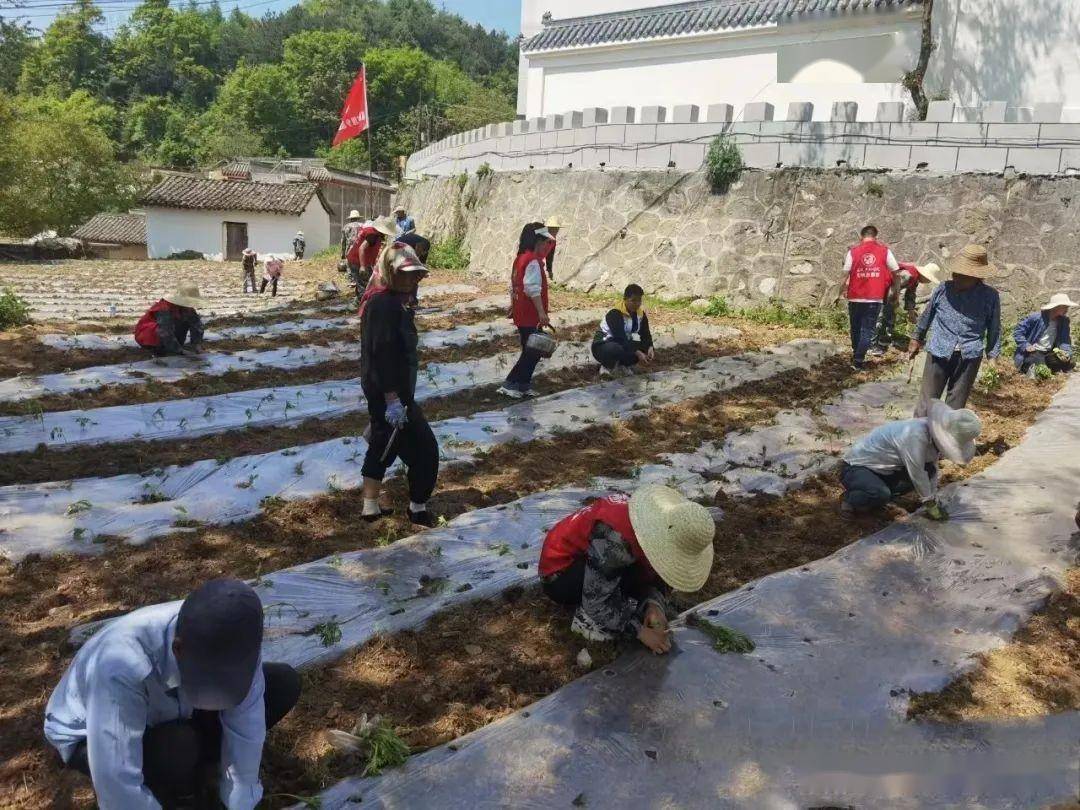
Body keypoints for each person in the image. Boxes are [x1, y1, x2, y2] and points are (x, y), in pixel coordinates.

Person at [44, 578, 301, 809]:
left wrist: (240, 802)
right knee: (181, 744)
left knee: (282, 684)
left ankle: (199, 769)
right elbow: (117, 783)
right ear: (178, 649)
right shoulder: (120, 665)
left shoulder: (238, 641)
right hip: (90, 736)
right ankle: (175, 788)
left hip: (175, 711)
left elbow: (247, 726)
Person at [539, 485, 714, 653]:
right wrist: (640, 631)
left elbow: (657, 573)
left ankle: (622, 601)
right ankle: (587, 621)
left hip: (601, 557)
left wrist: (654, 605)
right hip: (560, 573)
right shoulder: (616, 541)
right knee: (603, 598)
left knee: (635, 573)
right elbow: (595, 600)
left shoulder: (652, 523)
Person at [359, 244, 441, 528]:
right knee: (423, 449)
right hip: (389, 393)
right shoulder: (383, 305)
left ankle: (374, 507)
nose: (411, 280)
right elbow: (381, 352)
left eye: (414, 275)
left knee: (385, 441)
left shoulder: (392, 302)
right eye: (405, 274)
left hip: (391, 392)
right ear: (390, 273)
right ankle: (415, 507)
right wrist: (392, 398)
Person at [840, 401, 981, 519]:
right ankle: (849, 498)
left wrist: (934, 497)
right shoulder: (915, 435)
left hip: (885, 470)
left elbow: (931, 468)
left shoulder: (931, 436)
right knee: (881, 494)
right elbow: (917, 473)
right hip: (856, 468)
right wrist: (930, 504)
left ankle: (874, 496)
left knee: (929, 471)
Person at [909, 244, 1001, 416]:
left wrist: (992, 358)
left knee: (954, 408)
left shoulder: (990, 297)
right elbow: (927, 316)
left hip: (969, 355)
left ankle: (943, 441)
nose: (956, 279)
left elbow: (994, 328)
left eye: (962, 276)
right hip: (939, 350)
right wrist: (916, 338)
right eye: (955, 274)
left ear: (976, 277)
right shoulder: (943, 289)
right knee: (927, 403)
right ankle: (919, 439)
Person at [497, 223, 555, 399]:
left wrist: (513, 305)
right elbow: (532, 288)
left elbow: (514, 285)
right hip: (530, 314)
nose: (547, 245)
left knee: (530, 349)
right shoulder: (532, 261)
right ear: (537, 240)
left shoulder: (520, 258)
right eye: (545, 241)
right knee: (531, 352)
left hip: (522, 312)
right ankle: (510, 383)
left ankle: (523, 384)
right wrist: (541, 313)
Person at [843, 224, 900, 369]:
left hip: (855, 296)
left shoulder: (853, 251)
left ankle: (857, 354)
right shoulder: (885, 251)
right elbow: (896, 272)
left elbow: (845, 274)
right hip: (874, 297)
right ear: (876, 236)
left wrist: (841, 291)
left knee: (855, 327)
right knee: (867, 329)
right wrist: (895, 292)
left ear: (861, 237)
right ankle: (858, 359)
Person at [868, 261, 941, 356]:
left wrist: (911, 311)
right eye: (929, 279)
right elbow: (892, 287)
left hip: (888, 295)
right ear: (925, 275)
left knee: (889, 318)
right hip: (881, 292)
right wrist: (893, 301)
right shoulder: (908, 275)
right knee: (880, 318)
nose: (929, 281)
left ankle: (883, 341)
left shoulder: (915, 279)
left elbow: (910, 295)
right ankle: (871, 345)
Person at [592, 283, 654, 377]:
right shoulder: (615, 314)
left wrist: (650, 347)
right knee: (616, 348)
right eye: (633, 300)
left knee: (641, 346)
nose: (637, 304)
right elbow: (620, 337)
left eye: (639, 300)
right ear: (625, 299)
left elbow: (645, 334)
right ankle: (606, 366)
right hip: (603, 346)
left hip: (623, 342)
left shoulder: (640, 315)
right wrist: (637, 352)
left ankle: (623, 365)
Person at [1013, 292, 1076, 377]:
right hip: (1034, 351)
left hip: (1050, 352)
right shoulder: (1036, 318)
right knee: (1040, 367)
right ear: (1056, 307)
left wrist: (1066, 353)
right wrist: (1026, 345)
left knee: (1069, 363)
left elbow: (1065, 341)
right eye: (1065, 307)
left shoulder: (1063, 321)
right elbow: (1018, 331)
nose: (1067, 310)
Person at [134, 285, 206, 357]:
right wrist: (180, 351)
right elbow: (165, 331)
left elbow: (197, 324)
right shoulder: (164, 308)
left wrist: (197, 345)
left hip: (167, 334)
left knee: (187, 320)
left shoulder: (187, 308)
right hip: (149, 337)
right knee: (166, 332)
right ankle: (164, 350)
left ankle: (174, 347)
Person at [346, 215, 396, 301]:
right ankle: (364, 307)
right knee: (365, 285)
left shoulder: (373, 231)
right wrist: (362, 266)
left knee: (363, 282)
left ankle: (358, 302)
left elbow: (372, 250)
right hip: (357, 261)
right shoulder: (372, 234)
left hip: (360, 260)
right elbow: (362, 248)